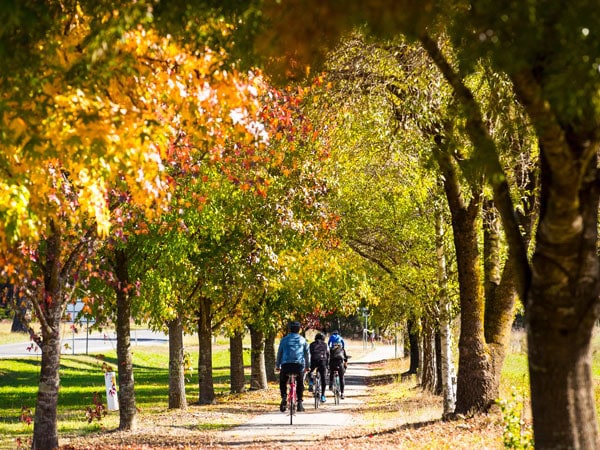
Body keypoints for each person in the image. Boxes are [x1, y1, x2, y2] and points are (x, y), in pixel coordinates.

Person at [276, 321, 310, 412]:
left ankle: (283, 396)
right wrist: (307, 366)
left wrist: (277, 366)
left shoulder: (284, 340)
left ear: (289, 329)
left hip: (286, 365)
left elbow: (279, 353)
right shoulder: (303, 340)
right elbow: (307, 355)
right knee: (300, 382)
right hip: (298, 366)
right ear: (299, 330)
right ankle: (299, 403)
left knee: (283, 381)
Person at [308, 332, 329, 403]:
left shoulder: (311, 344)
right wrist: (327, 365)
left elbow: (309, 354)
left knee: (310, 371)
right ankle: (323, 395)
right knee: (323, 379)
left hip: (314, 361)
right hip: (322, 362)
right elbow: (328, 354)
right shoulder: (325, 345)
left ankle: (311, 382)